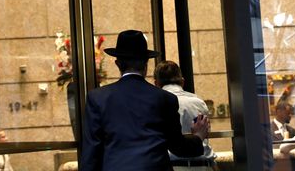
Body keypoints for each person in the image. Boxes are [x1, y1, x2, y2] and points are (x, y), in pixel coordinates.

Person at [81, 30, 210, 171]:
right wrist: (198, 136)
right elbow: (177, 146)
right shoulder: (165, 99)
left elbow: (91, 152)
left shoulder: (97, 98)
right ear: (146, 64)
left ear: (118, 64)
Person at [154, 60, 216, 170]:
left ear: (156, 84)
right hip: (203, 165)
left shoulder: (156, 103)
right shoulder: (199, 102)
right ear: (182, 82)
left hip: (172, 166)